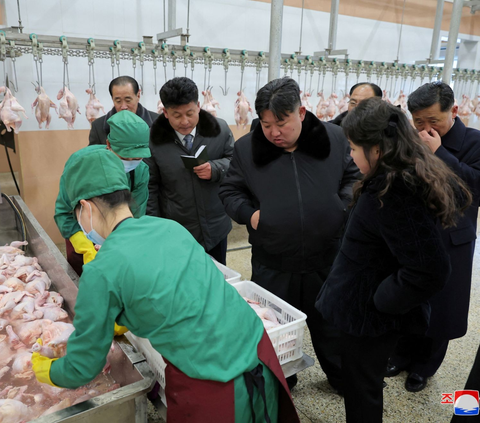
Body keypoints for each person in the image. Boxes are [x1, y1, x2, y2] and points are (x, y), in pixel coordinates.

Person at [33, 148, 299, 423]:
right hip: (260, 355)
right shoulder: (169, 227)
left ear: (86, 207)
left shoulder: (101, 270)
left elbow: (83, 365)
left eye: (76, 211)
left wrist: (44, 370)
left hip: (214, 382)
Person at [315, 97, 471, 423]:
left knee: (362, 391)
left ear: (378, 149)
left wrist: (381, 300)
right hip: (361, 308)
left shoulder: (394, 192)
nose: (350, 155)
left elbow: (430, 268)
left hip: (368, 318)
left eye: (355, 148)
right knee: (361, 384)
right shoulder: (387, 178)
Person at [219, 77, 359, 392]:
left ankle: (341, 379)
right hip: (273, 258)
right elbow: (229, 190)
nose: (274, 133)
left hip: (327, 255)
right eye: (267, 125)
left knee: (332, 325)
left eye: (281, 123)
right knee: (276, 328)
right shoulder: (247, 147)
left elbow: (353, 176)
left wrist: (340, 207)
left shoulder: (333, 138)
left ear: (302, 113)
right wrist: (250, 216)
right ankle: (284, 381)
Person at [385, 82, 480, 392]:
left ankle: (424, 367)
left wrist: (439, 152)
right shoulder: (412, 140)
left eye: (432, 120)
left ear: (452, 111)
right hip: (414, 233)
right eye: (419, 122)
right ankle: (399, 355)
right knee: (409, 297)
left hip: (452, 239)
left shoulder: (473, 142)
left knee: (442, 306)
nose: (425, 128)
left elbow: (474, 187)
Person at [146, 77, 233, 265]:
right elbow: (150, 187)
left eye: (190, 113)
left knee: (218, 279)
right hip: (177, 229)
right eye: (176, 115)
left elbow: (236, 163)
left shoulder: (220, 130)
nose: (185, 121)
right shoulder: (153, 140)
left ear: (199, 106)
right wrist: (156, 228)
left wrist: (216, 168)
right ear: (165, 112)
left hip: (215, 225)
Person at [55, 110, 150, 276]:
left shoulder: (140, 171)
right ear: (109, 145)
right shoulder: (81, 163)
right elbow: (63, 212)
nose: (131, 163)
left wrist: (119, 244)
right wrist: (85, 246)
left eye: (136, 158)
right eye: (124, 157)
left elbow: (136, 215)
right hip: (81, 236)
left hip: (118, 238)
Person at [89, 75, 159, 146]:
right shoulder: (98, 126)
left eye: (128, 100)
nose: (123, 106)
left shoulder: (158, 123)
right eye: (118, 101)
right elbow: (93, 155)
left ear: (138, 96)